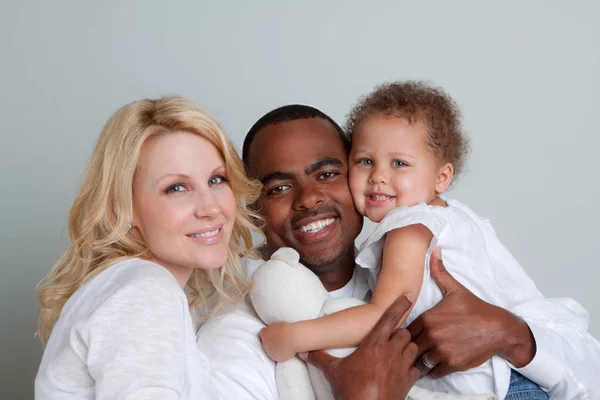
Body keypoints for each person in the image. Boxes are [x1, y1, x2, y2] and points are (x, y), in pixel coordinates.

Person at [198, 102, 600, 399]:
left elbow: (591, 374)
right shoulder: (237, 334)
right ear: (251, 206)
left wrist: (510, 335)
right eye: (279, 188)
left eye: (328, 174)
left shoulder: (414, 256)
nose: (309, 198)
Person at [35, 96, 265, 399]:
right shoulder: (145, 290)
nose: (210, 208)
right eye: (176, 188)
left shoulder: (124, 286)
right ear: (122, 209)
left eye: (216, 179)